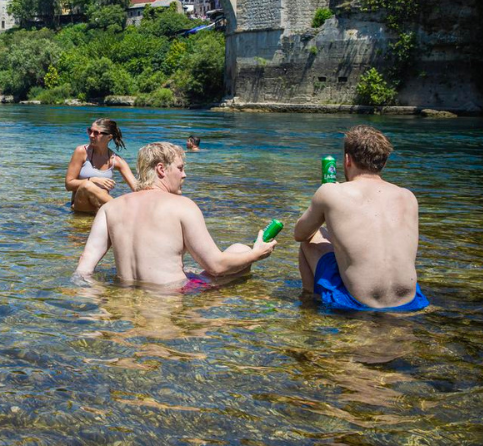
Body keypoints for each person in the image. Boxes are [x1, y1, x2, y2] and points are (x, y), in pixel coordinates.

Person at [73, 142, 275, 291]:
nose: (184, 175)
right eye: (180, 168)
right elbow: (216, 266)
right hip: (172, 296)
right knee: (241, 250)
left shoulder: (110, 208)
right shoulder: (183, 206)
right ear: (161, 169)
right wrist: (257, 253)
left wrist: (93, 306)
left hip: (126, 295)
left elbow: (85, 266)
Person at [293, 125, 430, 312]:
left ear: (347, 160)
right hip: (409, 301)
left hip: (359, 302)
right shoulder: (408, 196)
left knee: (312, 237)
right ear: (384, 162)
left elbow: (299, 234)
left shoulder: (331, 192)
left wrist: (326, 212)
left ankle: (310, 303)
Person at [65, 118, 137, 214]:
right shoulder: (81, 152)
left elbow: (136, 187)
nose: (91, 135)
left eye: (96, 133)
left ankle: (123, 209)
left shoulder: (117, 160)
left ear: (109, 137)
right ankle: (123, 210)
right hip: (81, 207)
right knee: (86, 185)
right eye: (90, 131)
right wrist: (93, 179)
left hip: (100, 209)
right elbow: (68, 185)